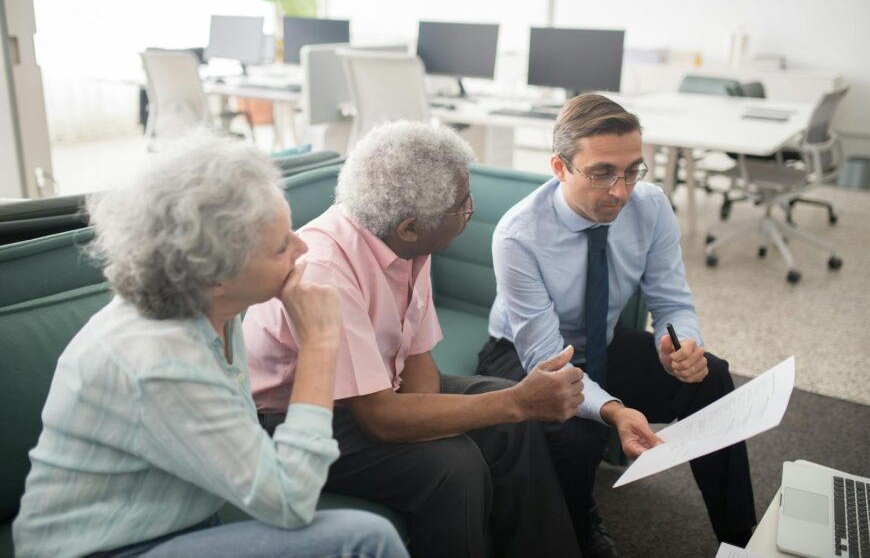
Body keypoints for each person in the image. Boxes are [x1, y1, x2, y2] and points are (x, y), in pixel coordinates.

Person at [13, 133, 408, 558]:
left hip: (183, 526)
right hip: (107, 550)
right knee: (365, 539)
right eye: (280, 248)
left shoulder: (216, 309)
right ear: (213, 277)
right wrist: (321, 343)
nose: (302, 246)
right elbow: (291, 501)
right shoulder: (158, 360)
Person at [243, 121, 586, 558]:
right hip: (294, 417)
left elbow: (419, 363)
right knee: (455, 465)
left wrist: (453, 418)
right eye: (463, 206)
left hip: (375, 391)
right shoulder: (326, 271)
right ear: (409, 226)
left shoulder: (408, 245)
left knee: (509, 425)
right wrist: (517, 402)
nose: (471, 211)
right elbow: (380, 418)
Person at [477, 94, 757, 551]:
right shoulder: (518, 236)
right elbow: (548, 361)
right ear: (559, 167)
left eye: (631, 171)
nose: (621, 191)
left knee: (713, 379)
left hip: (600, 341)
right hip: (522, 355)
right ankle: (577, 532)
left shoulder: (650, 207)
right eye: (602, 172)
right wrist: (613, 409)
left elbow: (672, 301)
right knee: (576, 433)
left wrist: (683, 344)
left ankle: (740, 536)